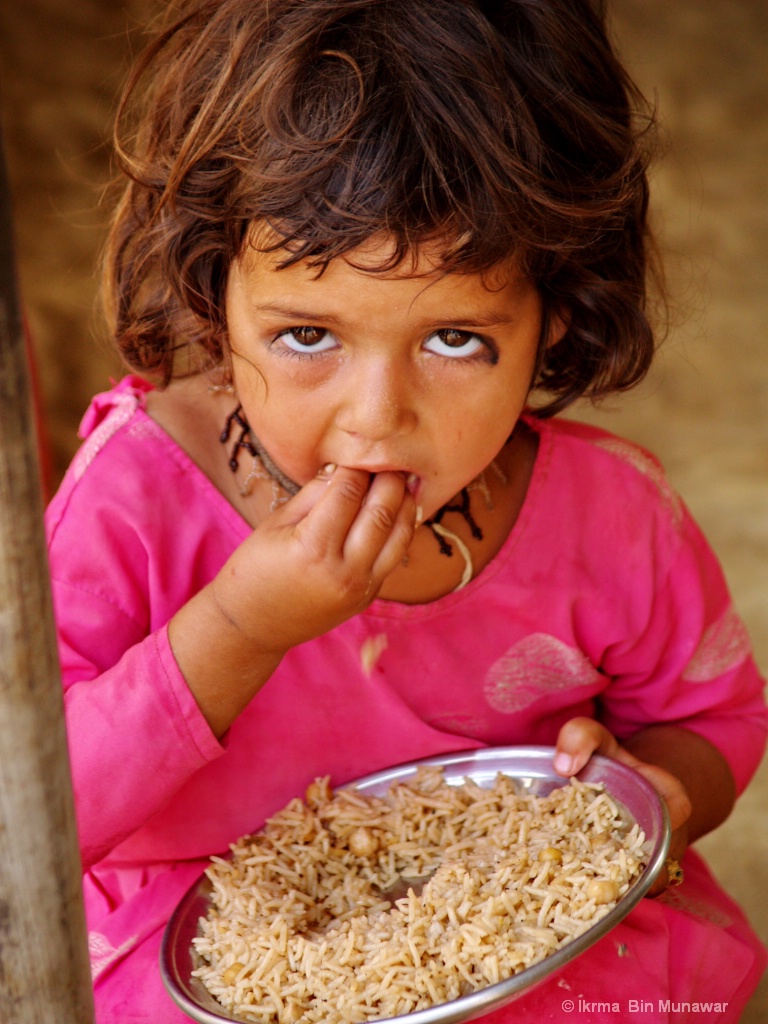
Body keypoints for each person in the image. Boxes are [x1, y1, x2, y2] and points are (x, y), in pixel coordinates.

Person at [46, 0, 767, 1020]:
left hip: (520, 930)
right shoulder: (137, 499)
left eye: (456, 340)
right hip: (199, 949)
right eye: (306, 335)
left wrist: (658, 790)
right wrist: (239, 630)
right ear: (214, 297)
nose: (378, 417)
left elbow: (713, 719)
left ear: (555, 313)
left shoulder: (613, 513)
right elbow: (31, 820)